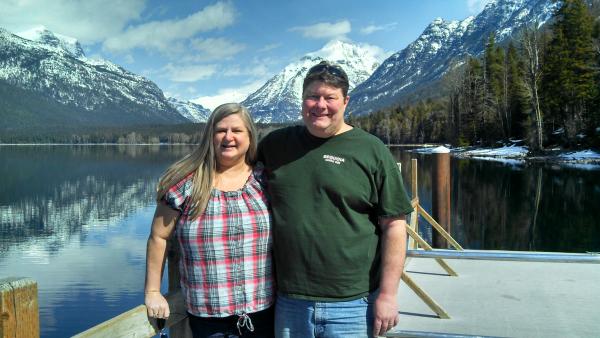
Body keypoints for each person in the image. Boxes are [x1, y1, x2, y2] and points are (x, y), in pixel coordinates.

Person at [257, 61, 413, 338]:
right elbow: (229, 173)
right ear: (302, 99)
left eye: (330, 97)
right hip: (290, 302)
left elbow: (395, 225)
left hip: (354, 304)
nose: (320, 105)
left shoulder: (371, 150)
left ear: (345, 101)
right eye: (313, 96)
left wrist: (388, 295)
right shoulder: (275, 145)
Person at [144, 103, 274, 338]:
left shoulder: (265, 180)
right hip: (208, 319)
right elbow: (158, 237)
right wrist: (153, 290)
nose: (228, 137)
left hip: (263, 313)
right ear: (210, 136)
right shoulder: (186, 182)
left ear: (250, 136)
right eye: (220, 130)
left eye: (237, 130)